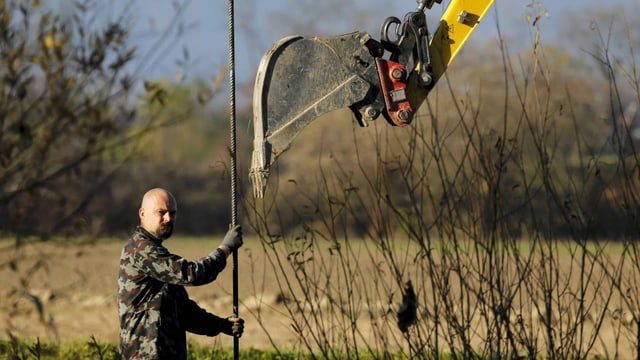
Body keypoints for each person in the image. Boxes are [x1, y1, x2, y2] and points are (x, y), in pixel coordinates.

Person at [117, 187, 244, 359]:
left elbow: (183, 311)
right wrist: (225, 249)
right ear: (142, 213)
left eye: (172, 213)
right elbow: (191, 274)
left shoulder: (156, 253)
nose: (168, 218)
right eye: (161, 212)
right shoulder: (140, 250)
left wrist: (220, 325)